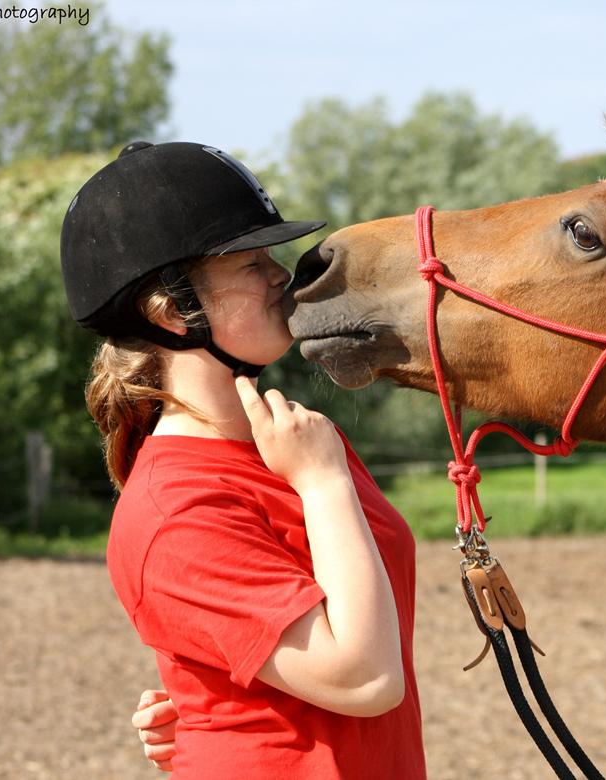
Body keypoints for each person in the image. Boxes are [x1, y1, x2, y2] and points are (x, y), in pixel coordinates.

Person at [60, 141, 426, 778]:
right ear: (175, 311)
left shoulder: (295, 445)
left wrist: (211, 693)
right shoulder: (178, 510)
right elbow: (365, 679)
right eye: (251, 262)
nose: (281, 275)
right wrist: (323, 485)